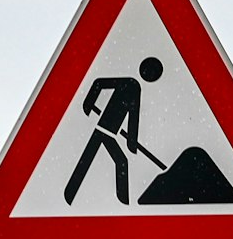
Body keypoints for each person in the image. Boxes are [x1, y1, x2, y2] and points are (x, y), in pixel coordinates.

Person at [64, 56, 164, 206]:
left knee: (91, 160)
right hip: (103, 130)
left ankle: (69, 195)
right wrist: (88, 103)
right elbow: (100, 83)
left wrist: (132, 142)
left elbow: (133, 117)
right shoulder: (131, 85)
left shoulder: (133, 86)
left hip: (107, 132)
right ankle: (122, 204)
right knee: (117, 162)